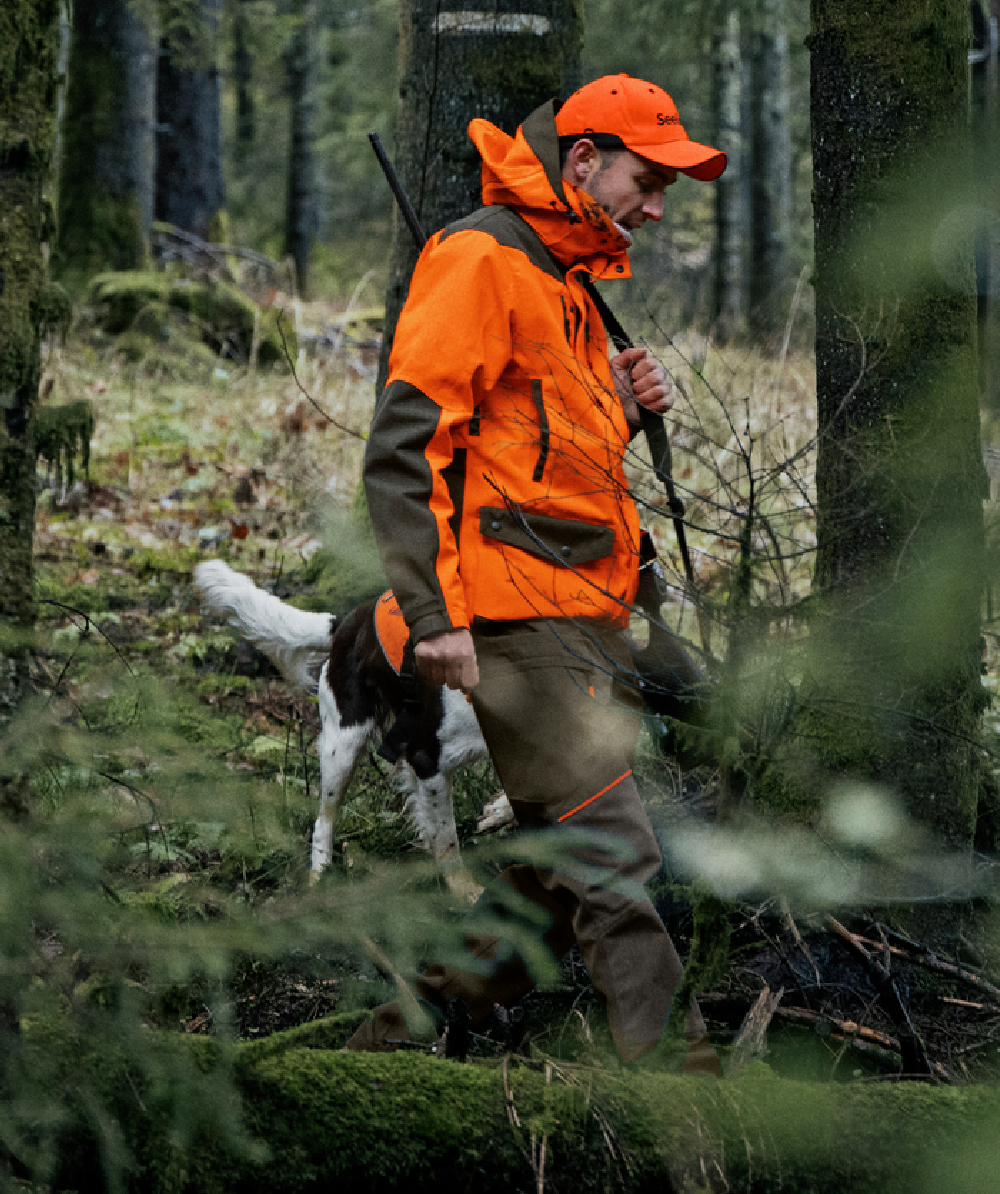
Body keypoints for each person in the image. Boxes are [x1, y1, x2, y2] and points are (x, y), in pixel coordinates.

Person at [348, 75, 726, 1069]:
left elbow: (539, 457)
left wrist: (622, 406)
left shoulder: (565, 285)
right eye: (647, 182)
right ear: (583, 159)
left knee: (552, 885)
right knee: (614, 858)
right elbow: (404, 449)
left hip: (574, 619)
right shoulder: (479, 258)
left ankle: (377, 1058)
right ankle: (686, 1103)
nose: (653, 208)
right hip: (512, 620)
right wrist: (431, 614)